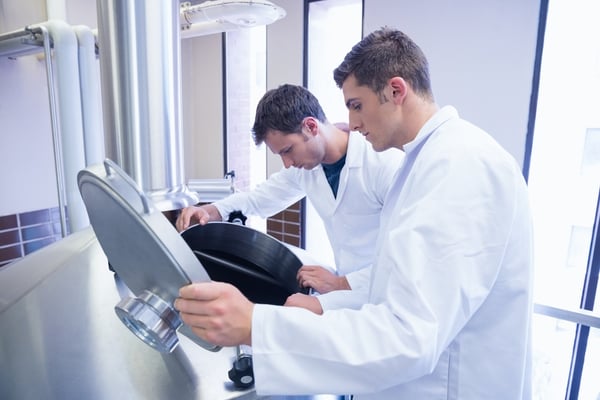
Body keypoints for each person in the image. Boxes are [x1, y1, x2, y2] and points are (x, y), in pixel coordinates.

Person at [175, 27, 534, 399]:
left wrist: (258, 325)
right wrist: (321, 307)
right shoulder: (425, 163)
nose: (352, 122)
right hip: (387, 362)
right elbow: (392, 284)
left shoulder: (458, 167)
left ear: (396, 91)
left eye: (356, 105)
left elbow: (407, 335)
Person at [176, 84, 403, 310]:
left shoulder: (385, 165)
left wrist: (342, 283)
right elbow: (260, 198)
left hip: (388, 294)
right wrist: (210, 211)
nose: (287, 163)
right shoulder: (308, 169)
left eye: (287, 150)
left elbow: (403, 256)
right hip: (349, 290)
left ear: (311, 126)